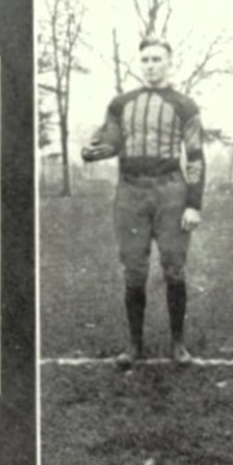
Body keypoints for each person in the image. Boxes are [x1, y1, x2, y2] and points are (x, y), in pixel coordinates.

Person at [82, 36, 205, 368]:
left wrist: (194, 204)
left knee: (174, 268)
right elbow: (107, 139)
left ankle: (178, 344)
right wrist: (93, 149)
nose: (151, 65)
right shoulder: (121, 103)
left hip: (171, 192)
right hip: (130, 193)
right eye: (146, 60)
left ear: (169, 62)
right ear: (141, 64)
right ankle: (134, 344)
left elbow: (195, 156)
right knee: (133, 270)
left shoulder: (185, 105)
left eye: (157, 59)